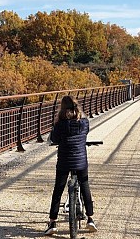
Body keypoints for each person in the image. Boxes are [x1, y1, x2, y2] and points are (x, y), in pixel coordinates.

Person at [44, 95, 97, 236]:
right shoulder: (84, 122)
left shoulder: (60, 124)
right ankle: (90, 219)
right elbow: (85, 133)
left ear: (62, 108)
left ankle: (52, 222)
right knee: (85, 186)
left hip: (64, 161)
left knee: (58, 189)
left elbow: (54, 139)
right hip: (80, 161)